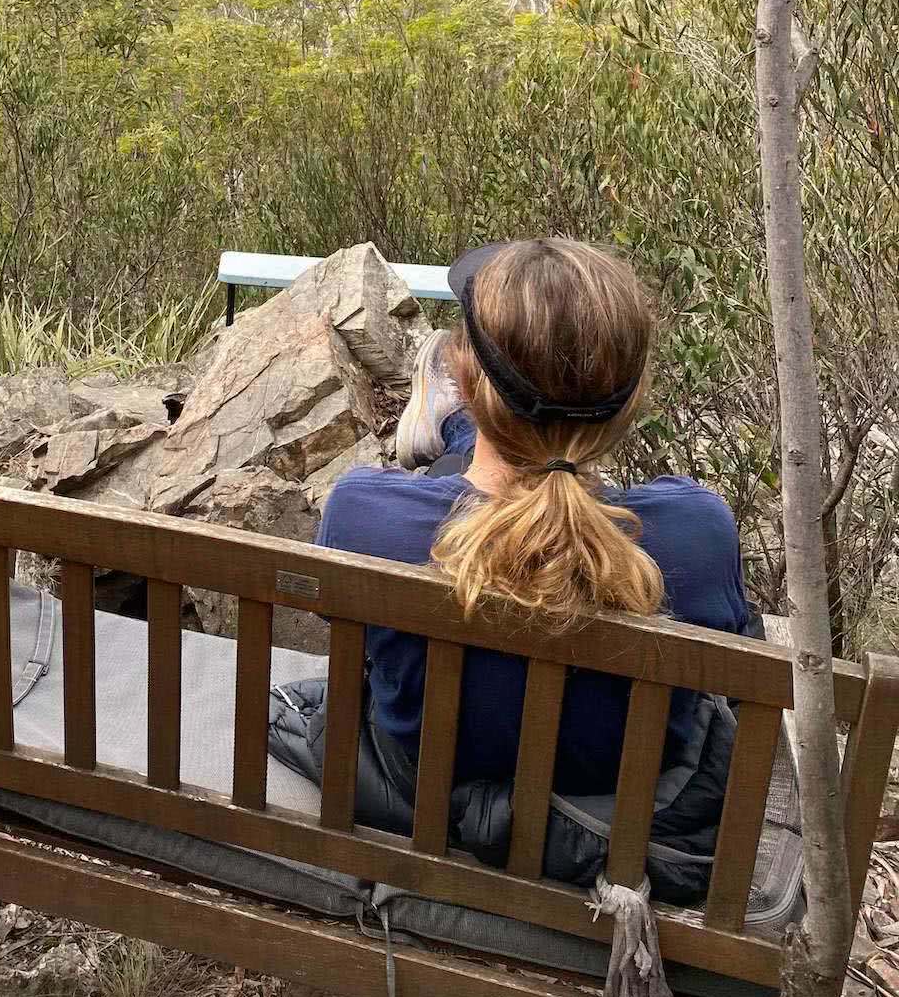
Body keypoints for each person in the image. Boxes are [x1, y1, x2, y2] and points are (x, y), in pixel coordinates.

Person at [270, 238, 752, 875]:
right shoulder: (700, 534)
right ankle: (457, 429)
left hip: (422, 783)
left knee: (461, 477)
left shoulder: (365, 512)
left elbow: (349, 641)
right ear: (632, 401)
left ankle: (453, 426)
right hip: (624, 817)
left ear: (468, 376)